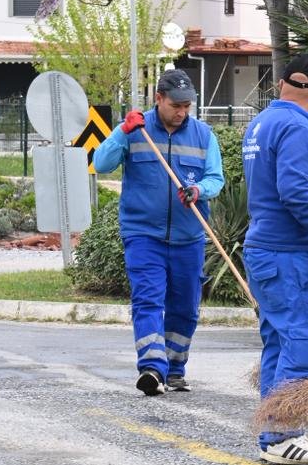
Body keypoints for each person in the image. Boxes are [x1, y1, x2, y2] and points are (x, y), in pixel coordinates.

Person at [241, 53, 308, 465]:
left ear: (282, 84)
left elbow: (276, 182)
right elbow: (293, 191)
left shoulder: (263, 122)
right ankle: (282, 436)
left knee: (278, 342)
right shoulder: (298, 127)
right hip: (290, 254)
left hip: (265, 249)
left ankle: (276, 436)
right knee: (304, 340)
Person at [92, 69, 225, 397]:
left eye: (187, 106)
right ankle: (152, 367)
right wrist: (122, 132)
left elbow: (215, 178)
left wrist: (198, 190)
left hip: (188, 236)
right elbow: (102, 162)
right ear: (159, 99)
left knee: (184, 307)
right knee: (147, 299)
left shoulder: (203, 135)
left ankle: (175, 369)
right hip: (143, 234)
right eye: (176, 105)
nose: (182, 112)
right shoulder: (136, 131)